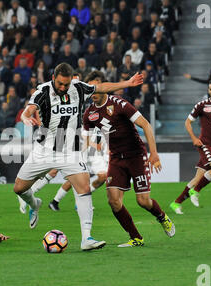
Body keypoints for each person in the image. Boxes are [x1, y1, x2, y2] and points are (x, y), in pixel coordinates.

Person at [13, 62, 144, 251]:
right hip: (45, 149)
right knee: (19, 188)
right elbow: (30, 108)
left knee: (83, 189)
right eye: (60, 84)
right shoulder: (43, 91)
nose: (63, 88)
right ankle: (35, 203)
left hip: (71, 150)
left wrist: (127, 83)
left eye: (66, 84)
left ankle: (87, 238)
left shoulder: (78, 88)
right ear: (53, 78)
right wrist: (26, 117)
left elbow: (101, 87)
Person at [81, 71, 175, 247]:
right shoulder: (89, 114)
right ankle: (136, 237)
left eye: (96, 89)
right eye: (90, 90)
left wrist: (153, 153)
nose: (93, 93)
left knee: (143, 201)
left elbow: (145, 124)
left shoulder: (119, 104)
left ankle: (162, 217)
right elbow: (85, 140)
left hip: (136, 156)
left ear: (104, 88)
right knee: (113, 201)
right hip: (116, 158)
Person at [170, 80, 211, 215]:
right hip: (204, 143)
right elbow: (187, 122)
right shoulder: (202, 105)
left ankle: (176, 203)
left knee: (198, 178)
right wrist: (194, 138)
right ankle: (196, 191)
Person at [48, 126, 108, 212]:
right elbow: (84, 139)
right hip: (81, 152)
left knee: (103, 176)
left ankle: (82, 199)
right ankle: (55, 202)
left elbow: (104, 142)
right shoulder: (87, 123)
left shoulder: (104, 124)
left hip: (95, 155)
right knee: (74, 179)